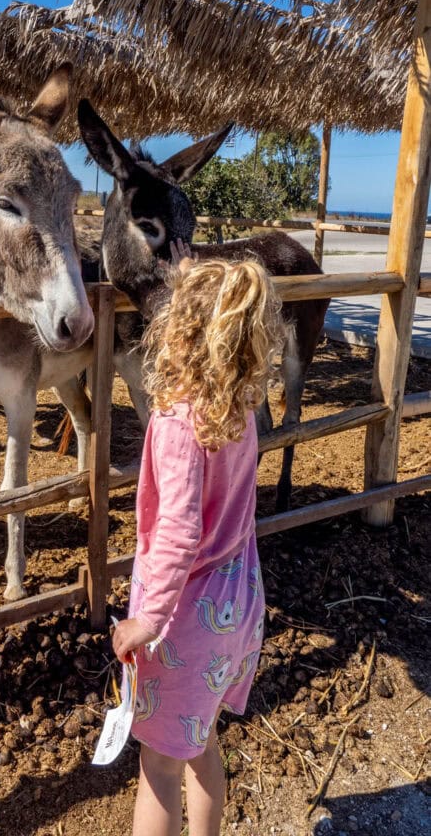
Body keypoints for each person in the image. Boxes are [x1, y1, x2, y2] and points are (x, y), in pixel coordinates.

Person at [112, 244, 285, 836]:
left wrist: (146, 620)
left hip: (185, 617)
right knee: (201, 740)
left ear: (177, 331)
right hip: (236, 606)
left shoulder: (178, 421)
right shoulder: (237, 407)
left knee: (158, 764)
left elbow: (180, 533)